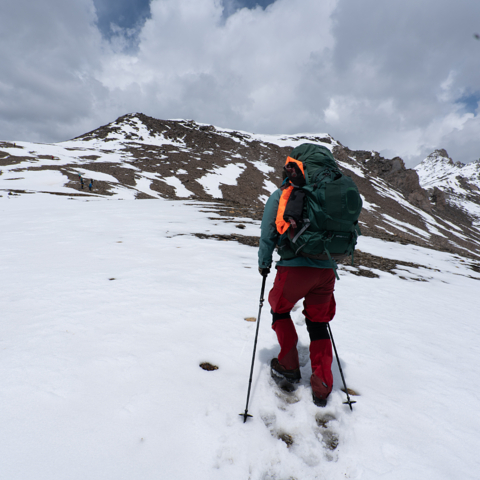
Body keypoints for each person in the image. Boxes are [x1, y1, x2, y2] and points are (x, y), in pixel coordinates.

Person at [258, 143, 337, 407]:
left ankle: (288, 364)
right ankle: (323, 382)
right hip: (326, 271)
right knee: (318, 322)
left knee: (279, 309)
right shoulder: (332, 196)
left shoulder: (283, 194)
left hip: (294, 268)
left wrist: (264, 262)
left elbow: (269, 233)